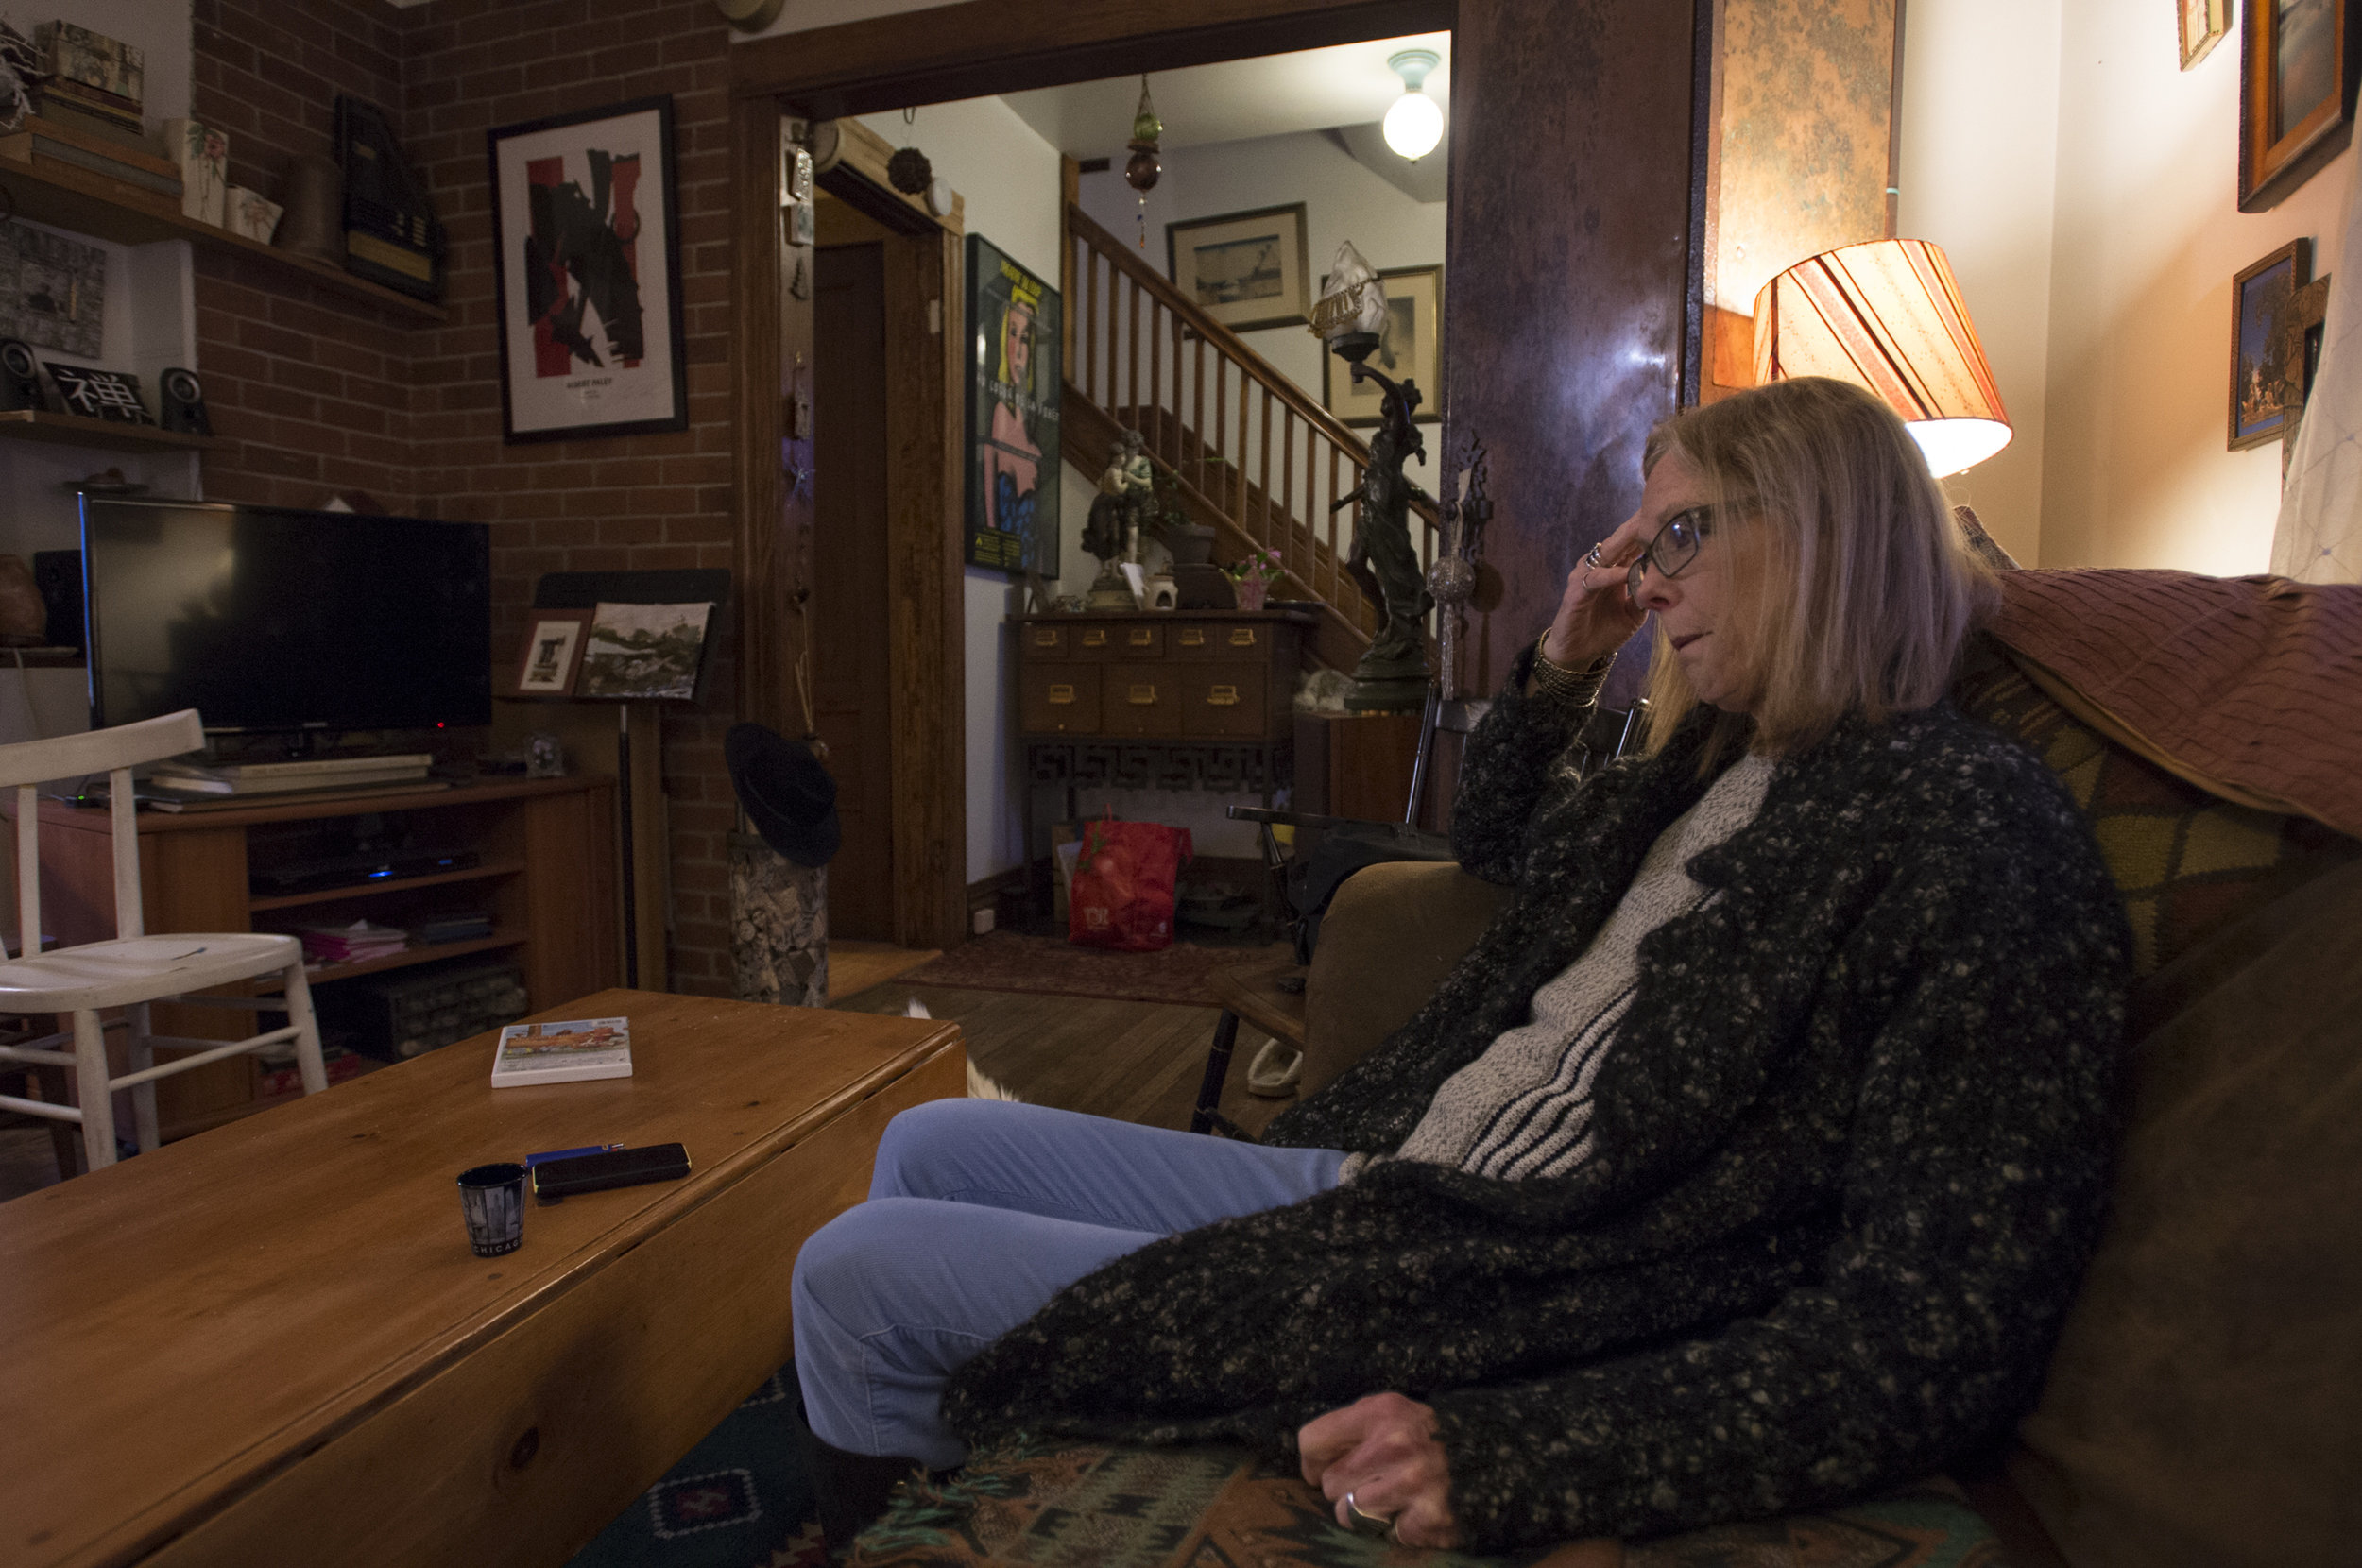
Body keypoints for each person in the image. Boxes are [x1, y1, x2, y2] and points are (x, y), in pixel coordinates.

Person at [791, 375, 2129, 1554]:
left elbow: (1940, 1328)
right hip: (1393, 1173)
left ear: (1819, 530)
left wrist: (1524, 1453)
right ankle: (989, 1465)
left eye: (1679, 534)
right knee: (926, 1147)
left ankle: (944, 1529)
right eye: (1643, 543)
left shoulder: (1967, 826)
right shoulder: (1714, 761)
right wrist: (1563, 658)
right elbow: (1494, 842)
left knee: (854, 1277)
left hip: (1490, 1270)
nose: (1649, 581)